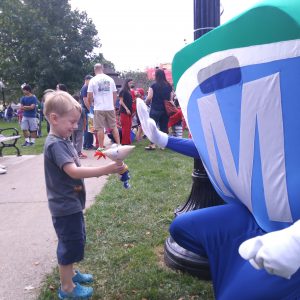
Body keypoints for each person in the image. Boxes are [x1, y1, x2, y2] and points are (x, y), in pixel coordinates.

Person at [43, 90, 124, 299]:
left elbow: (75, 165)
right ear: (54, 118)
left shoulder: (63, 140)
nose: (75, 126)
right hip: (65, 206)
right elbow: (74, 171)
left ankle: (72, 274)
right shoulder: (55, 144)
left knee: (75, 240)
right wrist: (106, 170)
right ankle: (67, 288)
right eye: (71, 122)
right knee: (69, 244)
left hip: (71, 204)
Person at [87, 63, 120, 149]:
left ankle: (101, 147)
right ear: (102, 69)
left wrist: (90, 105)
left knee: (100, 128)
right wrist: (112, 104)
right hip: (110, 107)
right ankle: (119, 144)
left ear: (94, 70)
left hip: (98, 107)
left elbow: (89, 95)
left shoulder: (93, 80)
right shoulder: (110, 79)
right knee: (114, 126)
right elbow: (115, 94)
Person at [144, 68, 172, 150]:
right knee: (164, 127)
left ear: (156, 76)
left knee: (153, 127)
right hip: (165, 109)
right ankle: (163, 145)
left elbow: (149, 97)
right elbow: (170, 99)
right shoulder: (169, 85)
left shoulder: (153, 85)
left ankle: (153, 144)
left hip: (155, 108)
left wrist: (146, 102)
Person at [80, 75, 94, 150]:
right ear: (87, 80)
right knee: (89, 128)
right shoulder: (85, 88)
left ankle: (88, 144)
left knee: (90, 128)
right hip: (87, 110)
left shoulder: (85, 88)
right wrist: (90, 110)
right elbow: (85, 100)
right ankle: (87, 145)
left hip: (87, 110)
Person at [119, 79, 133, 145]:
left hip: (130, 112)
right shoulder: (123, 91)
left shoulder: (129, 91)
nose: (131, 84)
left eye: (131, 83)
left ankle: (128, 141)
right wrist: (126, 109)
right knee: (125, 127)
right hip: (124, 112)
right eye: (130, 83)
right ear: (126, 83)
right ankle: (124, 142)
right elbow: (121, 102)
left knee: (129, 127)